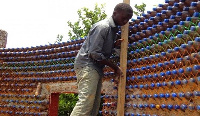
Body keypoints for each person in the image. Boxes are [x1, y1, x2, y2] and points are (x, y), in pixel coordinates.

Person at [70, 3, 133, 116]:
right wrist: (115, 67)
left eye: (128, 19)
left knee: (94, 105)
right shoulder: (103, 27)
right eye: (124, 18)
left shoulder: (113, 30)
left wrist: (113, 45)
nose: (125, 22)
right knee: (85, 103)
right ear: (115, 13)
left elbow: (100, 49)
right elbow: (94, 53)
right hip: (87, 66)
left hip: (95, 68)